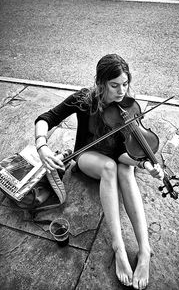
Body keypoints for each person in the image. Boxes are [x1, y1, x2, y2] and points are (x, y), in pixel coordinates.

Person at [34, 54, 164, 289]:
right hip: (88, 158)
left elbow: (126, 153)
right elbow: (46, 118)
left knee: (124, 169)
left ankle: (145, 249)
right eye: (115, 85)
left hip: (119, 158)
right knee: (109, 167)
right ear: (100, 83)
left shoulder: (128, 107)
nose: (121, 91)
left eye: (125, 84)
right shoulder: (84, 100)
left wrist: (146, 165)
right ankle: (118, 246)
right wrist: (42, 145)